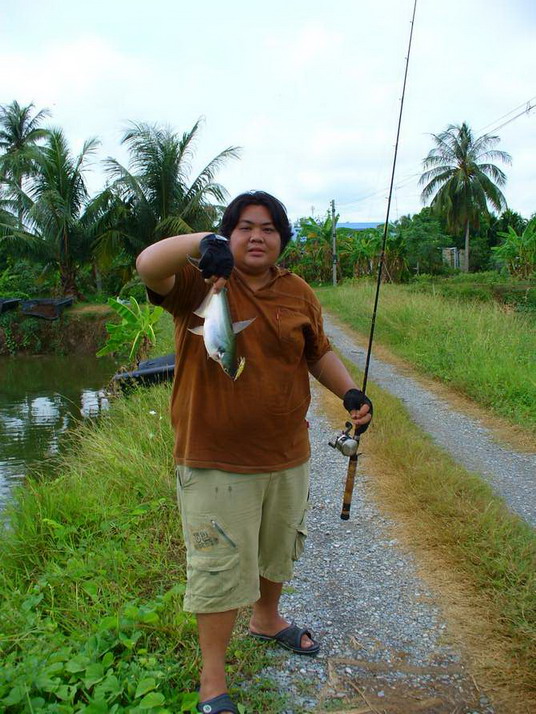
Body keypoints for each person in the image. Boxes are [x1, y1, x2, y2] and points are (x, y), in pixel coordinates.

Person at [136, 191, 372, 714]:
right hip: (214, 456)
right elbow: (148, 265)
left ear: (283, 240)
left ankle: (267, 619)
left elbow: (318, 351)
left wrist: (349, 393)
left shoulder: (299, 292)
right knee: (218, 569)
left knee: (276, 549)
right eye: (244, 227)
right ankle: (213, 683)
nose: (257, 236)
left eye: (268, 228)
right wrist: (203, 245)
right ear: (228, 235)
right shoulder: (201, 284)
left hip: (287, 452)